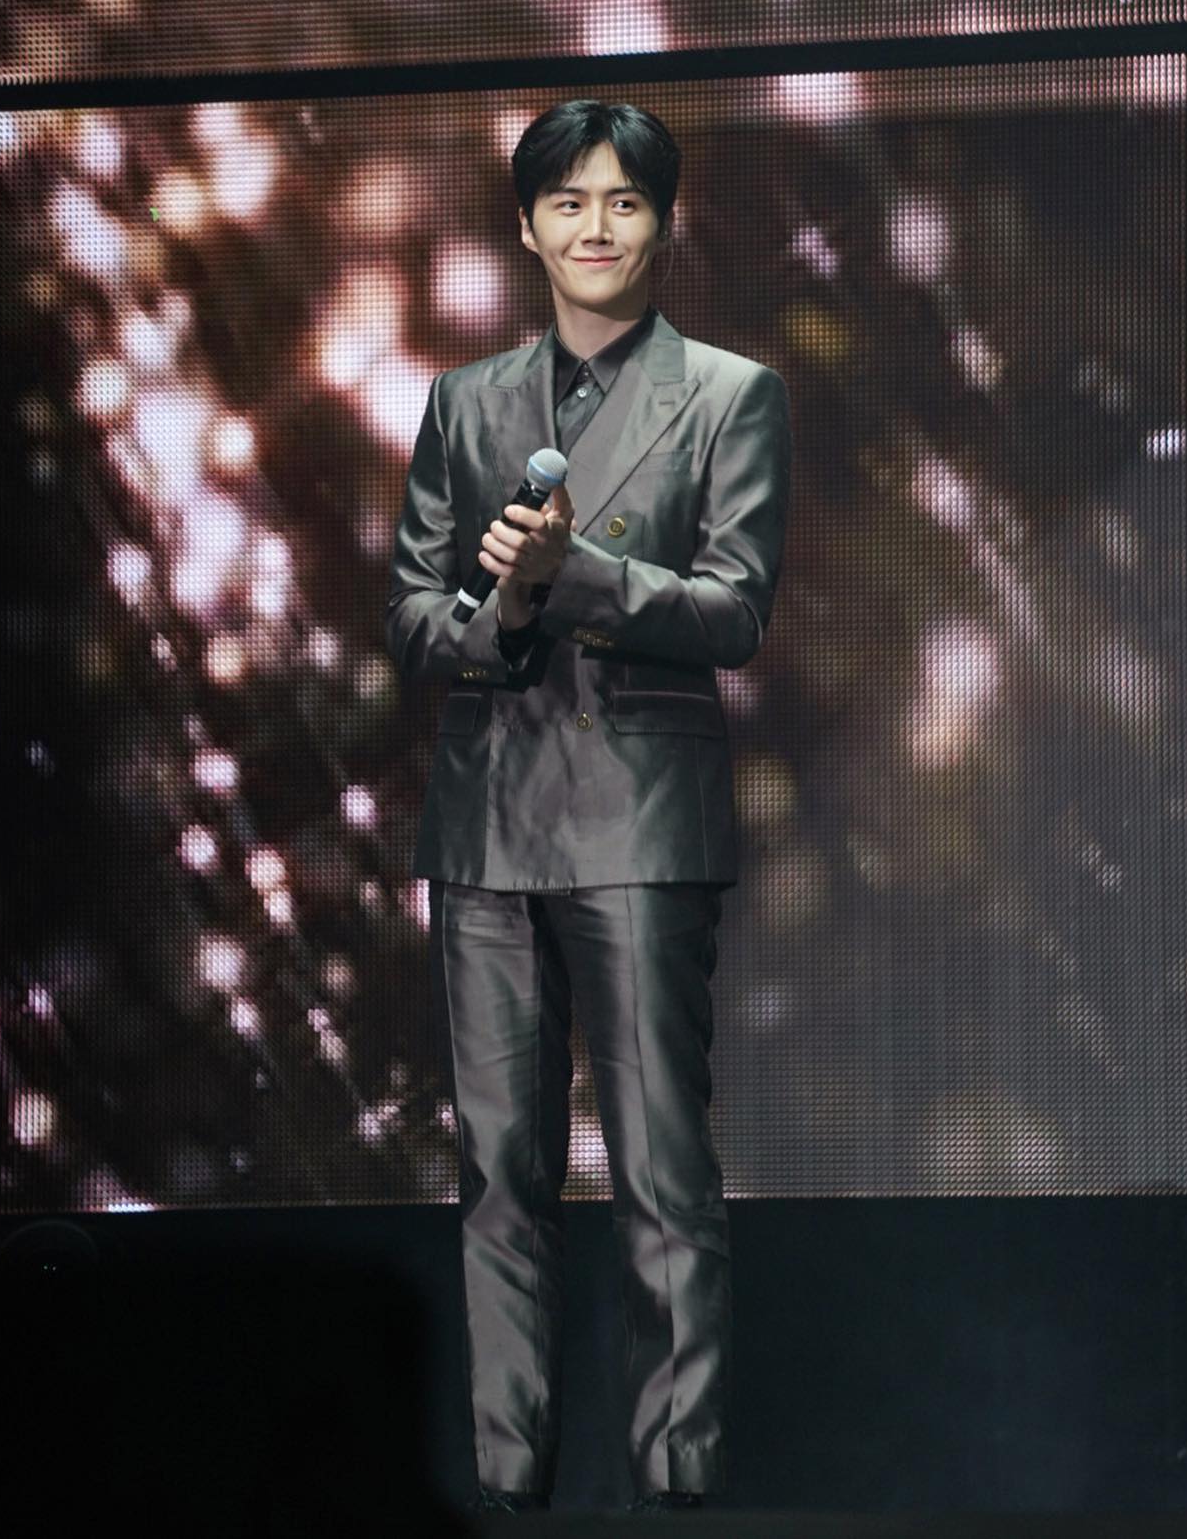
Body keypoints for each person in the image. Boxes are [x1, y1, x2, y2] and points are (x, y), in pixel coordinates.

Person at [384, 99, 791, 1515]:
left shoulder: (730, 394)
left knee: (661, 1166)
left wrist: (585, 575)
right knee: (498, 1167)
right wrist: (503, 607)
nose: (596, 226)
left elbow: (736, 612)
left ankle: (678, 1476)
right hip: (487, 823)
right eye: (569, 202)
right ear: (527, 227)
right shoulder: (464, 401)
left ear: (664, 223)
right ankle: (509, 1475)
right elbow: (414, 618)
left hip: (639, 821)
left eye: (623, 201)